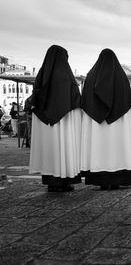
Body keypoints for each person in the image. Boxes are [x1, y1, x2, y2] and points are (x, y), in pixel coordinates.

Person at [80, 49, 131, 190]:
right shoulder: (121, 76)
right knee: (118, 147)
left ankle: (101, 181)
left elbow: (85, 100)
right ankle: (117, 179)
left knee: (98, 148)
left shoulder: (91, 76)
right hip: (118, 123)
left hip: (96, 124)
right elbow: (127, 100)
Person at [29, 45, 82, 192]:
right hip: (64, 120)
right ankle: (64, 181)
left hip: (45, 123)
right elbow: (75, 99)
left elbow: (35, 99)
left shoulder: (42, 74)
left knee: (49, 150)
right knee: (63, 148)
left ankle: (51, 182)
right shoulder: (67, 76)